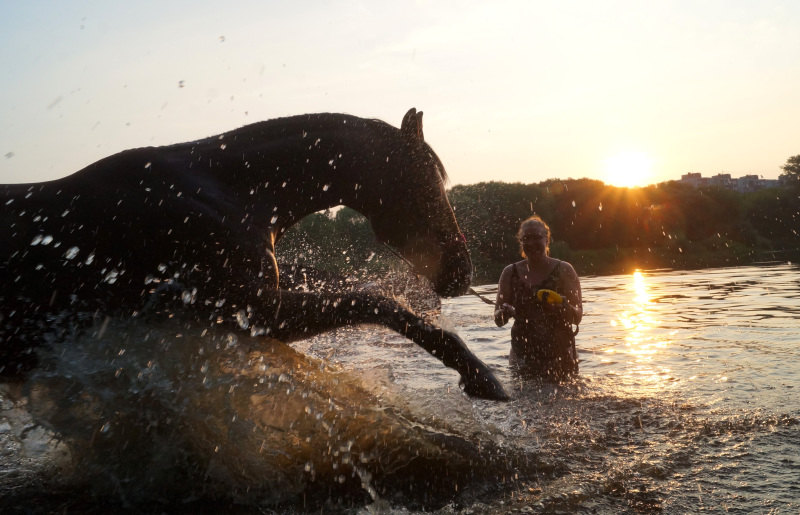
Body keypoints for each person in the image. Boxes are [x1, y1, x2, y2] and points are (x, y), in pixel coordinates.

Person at [494, 215, 583, 380]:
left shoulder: (564, 270)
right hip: (522, 356)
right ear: (520, 242)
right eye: (526, 238)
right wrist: (505, 312)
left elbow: (577, 317)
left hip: (560, 354)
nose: (531, 243)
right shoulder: (510, 273)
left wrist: (564, 306)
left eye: (537, 237)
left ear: (547, 240)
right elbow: (498, 320)